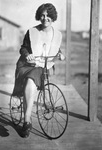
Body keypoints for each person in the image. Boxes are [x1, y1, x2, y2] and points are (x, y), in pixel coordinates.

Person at [12, 3, 64, 138]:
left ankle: (26, 118)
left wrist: (60, 54)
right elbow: (23, 48)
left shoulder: (57, 34)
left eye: (48, 16)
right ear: (39, 17)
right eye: (42, 15)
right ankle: (27, 121)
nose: (45, 18)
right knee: (30, 81)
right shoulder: (32, 32)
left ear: (53, 17)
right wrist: (27, 54)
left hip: (44, 65)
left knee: (34, 78)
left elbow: (55, 48)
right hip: (27, 65)